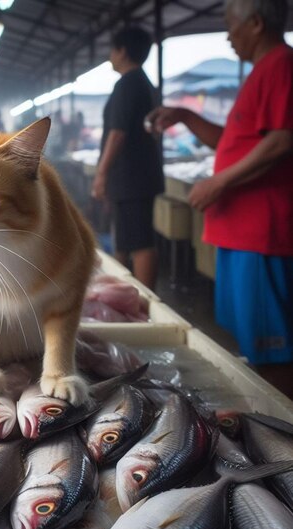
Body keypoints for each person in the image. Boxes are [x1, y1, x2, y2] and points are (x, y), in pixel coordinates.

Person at [146, 0, 293, 398]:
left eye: (231, 24)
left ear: (257, 23)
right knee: (252, 342)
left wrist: (219, 183)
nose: (228, 34)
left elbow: (282, 140)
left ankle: (282, 440)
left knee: (272, 351)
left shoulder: (281, 64)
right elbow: (236, 140)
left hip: (260, 235)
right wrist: (186, 116)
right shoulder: (261, 72)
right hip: (239, 235)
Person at [91, 26, 164, 291]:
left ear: (122, 51)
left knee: (141, 242)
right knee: (127, 238)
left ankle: (146, 302)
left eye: (112, 50)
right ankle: (122, 294)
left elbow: (117, 133)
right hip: (137, 175)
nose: (110, 56)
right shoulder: (143, 83)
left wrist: (102, 172)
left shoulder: (127, 84)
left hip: (132, 177)